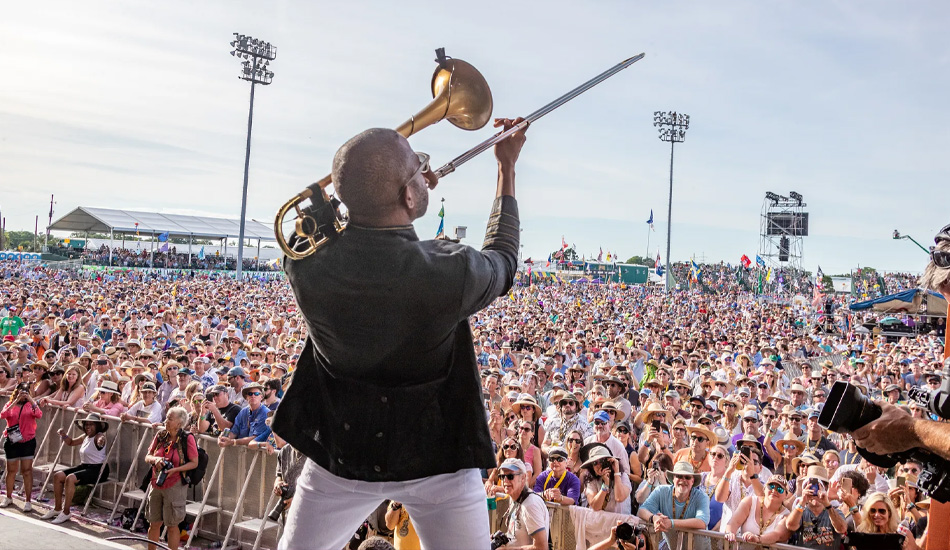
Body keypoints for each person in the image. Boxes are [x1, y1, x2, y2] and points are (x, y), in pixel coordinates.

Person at [273, 120, 527, 550]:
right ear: (409, 195)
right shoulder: (450, 270)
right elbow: (502, 258)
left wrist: (385, 184)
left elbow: (321, 224)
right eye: (417, 165)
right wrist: (506, 167)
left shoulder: (306, 266)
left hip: (340, 457)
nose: (425, 168)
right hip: (439, 459)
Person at [144, 406, 199, 550]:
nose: (166, 421)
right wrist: (155, 460)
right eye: (167, 417)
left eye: (170, 418)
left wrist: (175, 470)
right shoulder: (161, 435)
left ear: (179, 423)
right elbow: (147, 456)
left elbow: (194, 463)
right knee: (154, 523)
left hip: (175, 485)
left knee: (172, 526)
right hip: (156, 482)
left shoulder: (187, 438)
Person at [41, 413, 111, 524]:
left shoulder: (99, 435)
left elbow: (101, 440)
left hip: (98, 469)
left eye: (91, 424)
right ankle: (57, 508)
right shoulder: (85, 437)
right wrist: (63, 435)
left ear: (97, 426)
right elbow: (71, 442)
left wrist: (100, 441)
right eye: (86, 424)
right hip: (85, 466)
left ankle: (66, 512)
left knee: (70, 478)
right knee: (58, 476)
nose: (88, 427)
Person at [637, 462, 711, 550]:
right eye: (679, 476)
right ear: (673, 479)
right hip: (673, 546)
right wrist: (654, 518)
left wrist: (671, 523)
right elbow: (641, 511)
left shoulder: (701, 497)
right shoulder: (661, 491)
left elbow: (702, 522)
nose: (683, 480)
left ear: (692, 481)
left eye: (687, 477)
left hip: (698, 547)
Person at [776, 465, 848, 550]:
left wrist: (827, 504)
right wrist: (803, 501)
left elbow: (842, 529)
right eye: (810, 486)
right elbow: (790, 525)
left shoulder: (835, 512)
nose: (814, 491)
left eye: (818, 487)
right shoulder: (800, 512)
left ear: (825, 488)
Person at [1, 383, 42, 511]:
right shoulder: (10, 404)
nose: (23, 393)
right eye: (21, 391)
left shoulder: (31, 405)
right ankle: (8, 497)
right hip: (12, 440)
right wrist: (16, 401)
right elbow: (3, 414)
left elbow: (39, 414)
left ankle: (28, 501)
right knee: (11, 470)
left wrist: (30, 399)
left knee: (27, 471)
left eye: (25, 391)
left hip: (27, 441)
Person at [723, 474, 792, 545]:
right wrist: (730, 533)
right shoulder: (749, 502)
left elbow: (777, 535)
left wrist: (757, 538)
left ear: (786, 495)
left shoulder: (786, 515)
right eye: (771, 486)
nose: (774, 491)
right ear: (764, 489)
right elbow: (734, 522)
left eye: (779, 489)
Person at [496, 458, 548, 550]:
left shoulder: (530, 504)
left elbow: (541, 547)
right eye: (502, 476)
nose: (505, 481)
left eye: (510, 476)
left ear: (523, 478)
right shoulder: (515, 498)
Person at [854, 491, 919, 550]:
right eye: (873, 511)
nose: (876, 515)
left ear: (889, 513)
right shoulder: (862, 531)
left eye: (881, 511)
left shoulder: (902, 533)